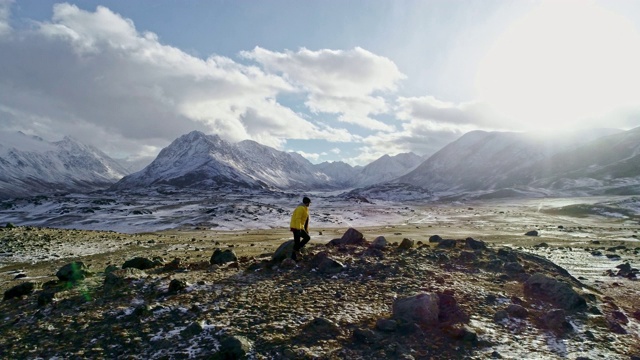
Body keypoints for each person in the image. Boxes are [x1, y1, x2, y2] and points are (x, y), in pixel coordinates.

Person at [289, 196, 311, 260]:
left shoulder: (304, 208)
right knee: (306, 238)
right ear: (306, 203)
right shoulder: (300, 208)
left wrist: (305, 229)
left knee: (298, 242)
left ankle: (294, 255)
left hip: (298, 227)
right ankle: (295, 254)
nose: (309, 204)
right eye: (309, 203)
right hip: (296, 227)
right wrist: (298, 229)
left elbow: (304, 220)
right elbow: (298, 219)